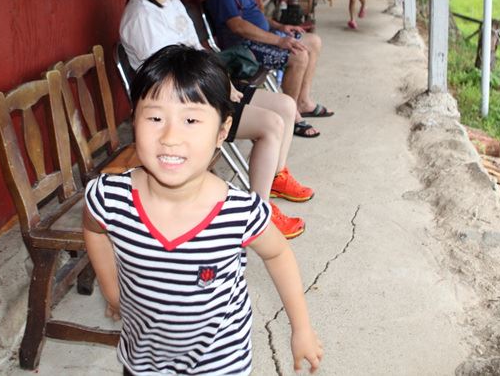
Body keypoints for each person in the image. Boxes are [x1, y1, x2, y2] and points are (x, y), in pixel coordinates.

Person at [82, 46, 324, 376]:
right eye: (155, 118)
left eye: (191, 120)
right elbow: (94, 229)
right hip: (143, 361)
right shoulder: (109, 197)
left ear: (222, 132)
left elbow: (278, 253)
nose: (170, 137)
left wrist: (301, 328)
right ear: (134, 120)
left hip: (220, 363)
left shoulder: (239, 213)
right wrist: (112, 292)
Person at [120, 0, 313, 239]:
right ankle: (259, 216)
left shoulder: (172, 3)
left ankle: (274, 177)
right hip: (180, 108)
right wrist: (220, 87)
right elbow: (168, 79)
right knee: (271, 125)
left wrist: (224, 79)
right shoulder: (141, 15)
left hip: (204, 89)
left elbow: (198, 49)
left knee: (286, 106)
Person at [205, 0, 334, 138]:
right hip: (243, 48)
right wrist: (279, 40)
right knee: (298, 55)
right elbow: (238, 26)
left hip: (261, 38)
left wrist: (280, 27)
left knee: (314, 41)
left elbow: (255, 14)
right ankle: (292, 116)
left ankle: (302, 102)